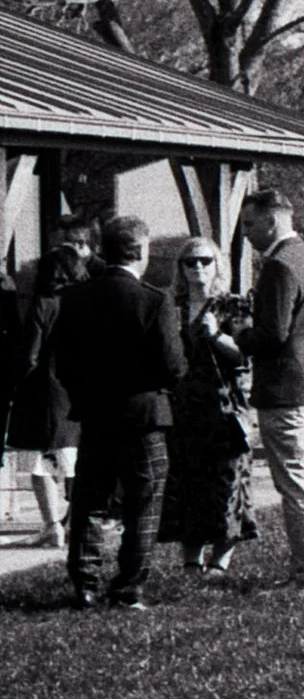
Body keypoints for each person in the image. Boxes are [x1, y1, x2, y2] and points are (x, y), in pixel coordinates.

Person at [49, 216, 185, 608]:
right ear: (140, 252)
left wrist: (87, 394)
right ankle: (128, 586)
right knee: (144, 504)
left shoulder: (75, 298)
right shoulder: (154, 300)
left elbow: (63, 364)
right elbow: (173, 367)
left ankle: (85, 584)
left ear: (104, 250)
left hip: (94, 416)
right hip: (144, 417)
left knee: (90, 501)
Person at [239, 187, 304, 594]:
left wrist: (234, 334)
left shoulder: (279, 265)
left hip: (284, 387)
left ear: (272, 220)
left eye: (249, 224)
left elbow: (271, 336)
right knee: (299, 480)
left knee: (295, 484)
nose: (245, 233)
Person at [162, 236, 259, 576]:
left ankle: (221, 559)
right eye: (190, 262)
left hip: (224, 405)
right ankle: (191, 558)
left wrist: (217, 335)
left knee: (228, 482)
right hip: (183, 407)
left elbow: (246, 355)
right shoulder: (170, 306)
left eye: (205, 261)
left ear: (218, 265)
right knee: (187, 482)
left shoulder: (232, 306)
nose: (197, 268)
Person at [4, 244, 85, 549]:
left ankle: (53, 525)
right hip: (77, 392)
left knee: (40, 463)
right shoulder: (85, 304)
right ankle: (75, 523)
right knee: (74, 462)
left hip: (45, 392)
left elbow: (30, 355)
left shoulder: (45, 303)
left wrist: (17, 381)